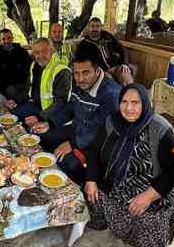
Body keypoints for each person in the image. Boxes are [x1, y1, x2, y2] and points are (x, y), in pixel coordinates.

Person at [84, 84, 174, 247]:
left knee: (149, 223)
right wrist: (91, 179)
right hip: (116, 183)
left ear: (144, 103)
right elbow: (93, 150)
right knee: (89, 191)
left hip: (153, 188)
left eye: (135, 102)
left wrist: (148, 196)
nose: (129, 108)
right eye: (124, 101)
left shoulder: (159, 128)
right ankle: (102, 222)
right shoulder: (112, 122)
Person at [30, 41, 120, 184]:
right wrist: (50, 123)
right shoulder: (79, 84)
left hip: (96, 143)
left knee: (67, 161)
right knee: (42, 135)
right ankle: (41, 177)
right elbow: (69, 108)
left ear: (97, 71)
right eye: (76, 74)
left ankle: (78, 190)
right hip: (76, 130)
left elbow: (100, 129)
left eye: (86, 73)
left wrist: (72, 144)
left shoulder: (111, 93)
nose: (80, 79)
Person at [5, 38, 71, 128]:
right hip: (35, 106)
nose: (40, 56)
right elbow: (28, 90)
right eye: (36, 52)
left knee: (32, 134)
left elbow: (60, 102)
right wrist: (15, 101)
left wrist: (39, 117)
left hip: (52, 113)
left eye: (44, 51)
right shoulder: (34, 65)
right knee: (10, 117)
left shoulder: (62, 71)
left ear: (52, 51)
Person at [83, 17, 133, 85]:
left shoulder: (108, 36)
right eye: (92, 26)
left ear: (101, 27)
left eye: (97, 26)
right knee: (110, 81)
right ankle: (120, 93)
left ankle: (132, 91)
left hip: (115, 67)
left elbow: (121, 48)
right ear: (89, 28)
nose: (95, 29)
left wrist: (124, 63)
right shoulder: (84, 44)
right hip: (102, 71)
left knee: (126, 74)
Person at [0, 28, 33, 104]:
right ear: (0, 40)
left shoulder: (22, 51)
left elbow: (31, 67)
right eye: (3, 39)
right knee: (12, 91)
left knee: (31, 89)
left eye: (9, 38)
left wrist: (29, 82)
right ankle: (19, 108)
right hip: (8, 85)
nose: (7, 41)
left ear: (12, 38)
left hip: (25, 82)